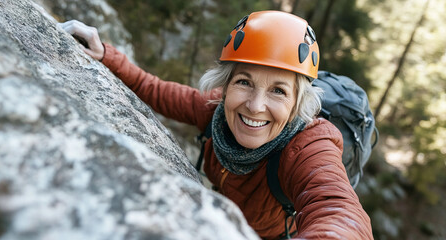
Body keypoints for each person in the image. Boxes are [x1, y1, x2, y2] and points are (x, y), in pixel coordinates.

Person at [60, 10, 373, 240]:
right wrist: (106, 55)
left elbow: (338, 210)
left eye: (278, 90)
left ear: (297, 103)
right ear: (225, 86)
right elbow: (156, 90)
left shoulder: (309, 145)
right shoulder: (216, 110)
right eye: (244, 82)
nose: (255, 105)